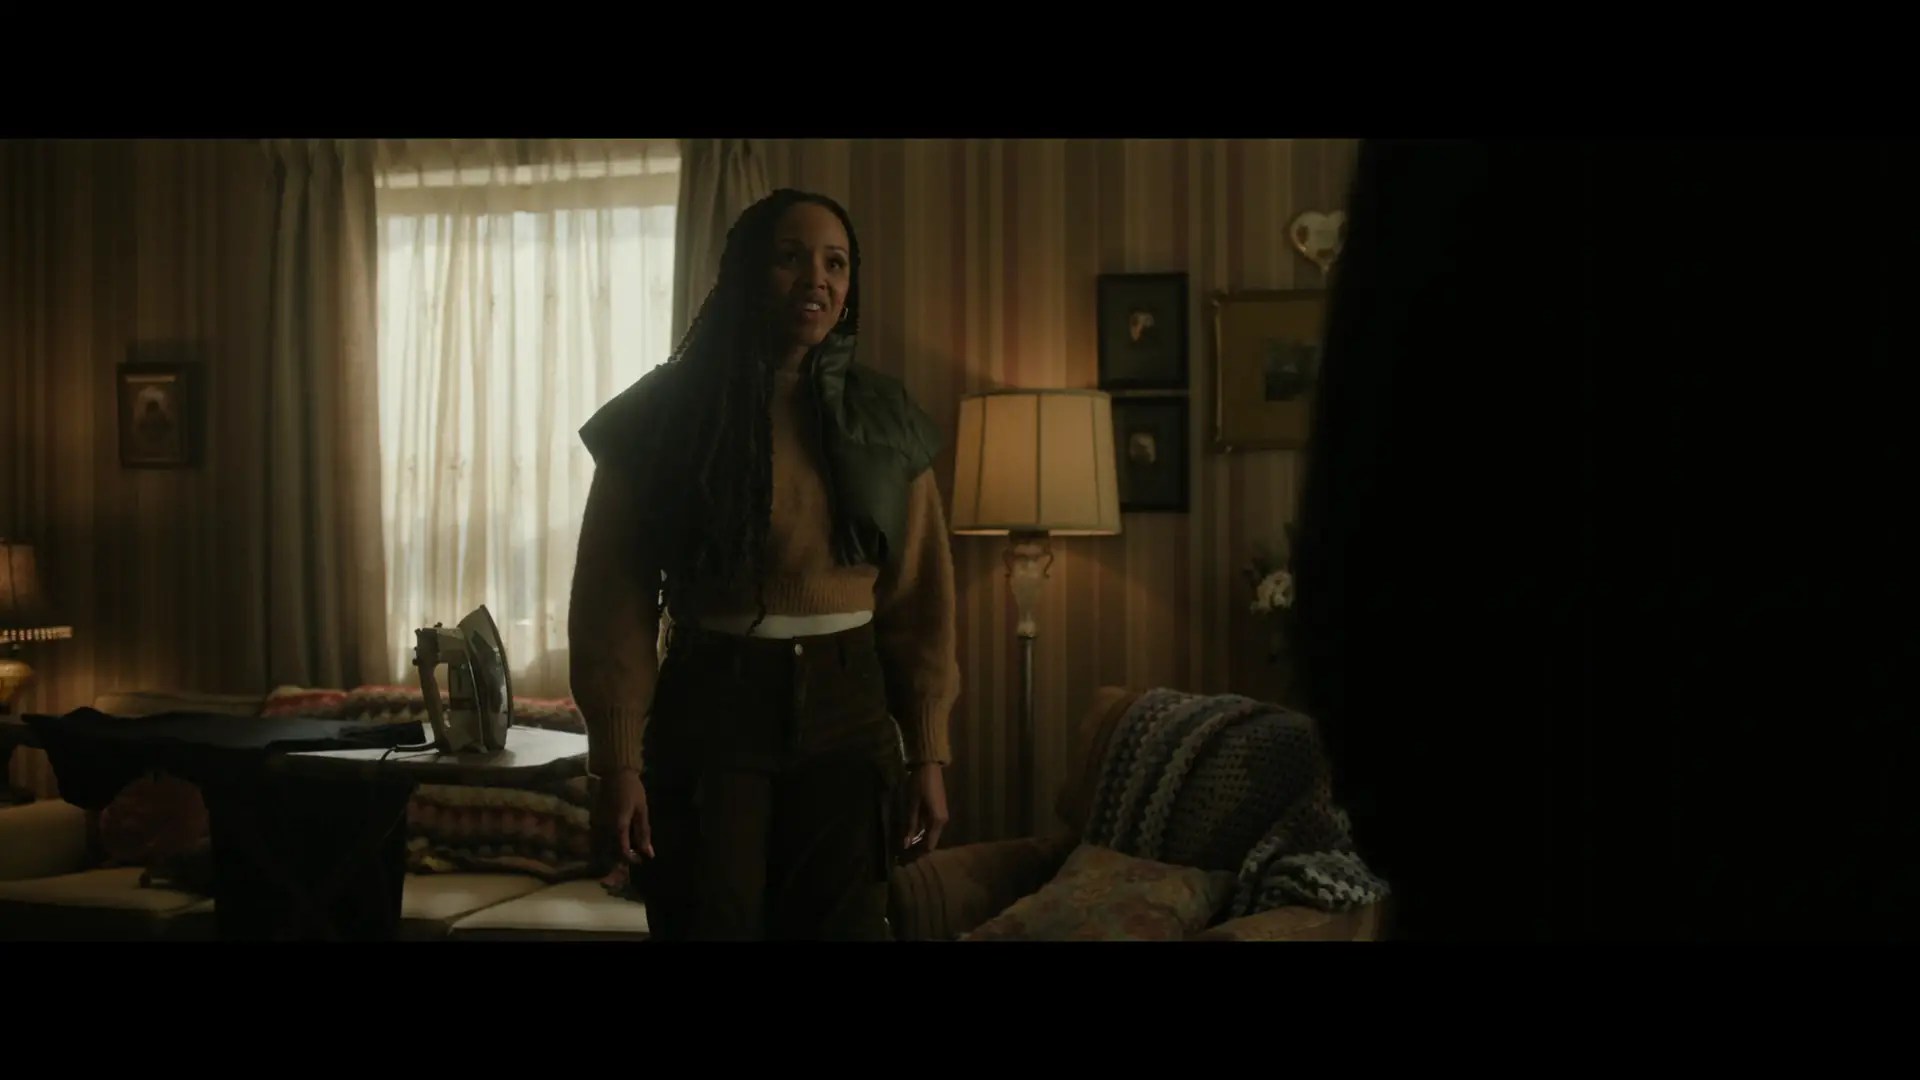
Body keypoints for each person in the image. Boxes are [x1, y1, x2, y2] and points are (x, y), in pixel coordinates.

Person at [566, 188, 959, 941]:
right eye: (790, 257)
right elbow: (611, 603)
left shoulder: (886, 419)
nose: (816, 279)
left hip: (850, 713)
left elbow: (920, 603)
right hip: (712, 707)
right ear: (748, 271)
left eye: (836, 263)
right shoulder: (662, 416)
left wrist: (928, 753)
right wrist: (617, 763)